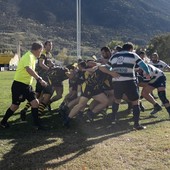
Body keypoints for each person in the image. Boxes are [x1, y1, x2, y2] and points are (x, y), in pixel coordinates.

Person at [99, 42, 151, 130]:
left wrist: (113, 72)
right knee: (135, 102)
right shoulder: (132, 55)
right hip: (129, 81)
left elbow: (107, 67)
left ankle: (113, 120)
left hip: (116, 82)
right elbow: (143, 65)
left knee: (117, 100)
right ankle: (136, 124)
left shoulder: (114, 56)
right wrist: (148, 74)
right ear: (131, 49)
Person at [0, 42, 47, 129]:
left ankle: (36, 124)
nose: (40, 53)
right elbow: (28, 69)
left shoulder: (33, 57)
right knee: (15, 106)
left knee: (35, 103)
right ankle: (3, 122)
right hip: (19, 85)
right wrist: (39, 79)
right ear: (36, 50)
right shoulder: (28, 56)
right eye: (40, 51)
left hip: (26, 86)